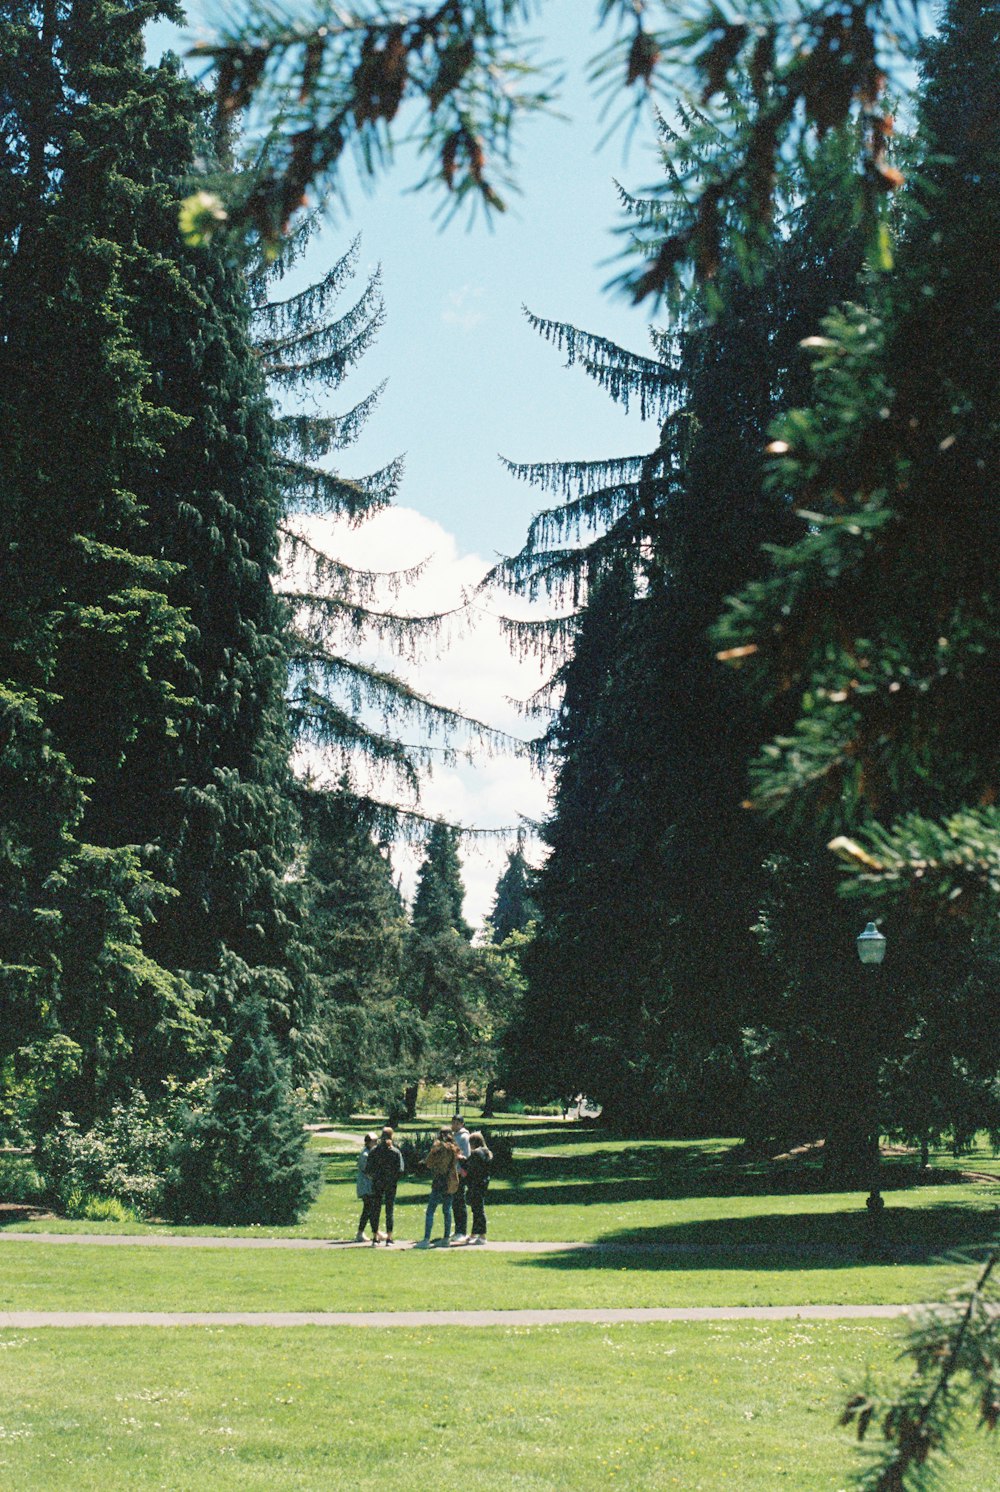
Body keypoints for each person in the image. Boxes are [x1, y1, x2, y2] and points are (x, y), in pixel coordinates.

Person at [416, 1127, 460, 1247]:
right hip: (450, 1181)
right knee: (447, 1210)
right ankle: (446, 1238)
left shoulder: (438, 1148)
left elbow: (428, 1163)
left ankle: (426, 1239)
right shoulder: (454, 1148)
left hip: (439, 1180)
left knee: (431, 1210)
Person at [366, 1126, 404, 1246]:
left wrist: (374, 1177)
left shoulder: (374, 1151)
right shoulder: (395, 1152)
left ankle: (375, 1236)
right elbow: (401, 1170)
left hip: (377, 1182)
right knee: (389, 1210)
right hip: (390, 1184)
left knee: (375, 1209)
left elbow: (368, 1170)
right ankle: (389, 1237)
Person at [464, 1131, 492, 1244]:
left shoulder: (476, 1153)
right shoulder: (487, 1153)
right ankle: (474, 1233)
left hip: (476, 1184)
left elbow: (469, 1167)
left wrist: (461, 1160)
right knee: (477, 1208)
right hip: (483, 1183)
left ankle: (482, 1235)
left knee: (478, 1210)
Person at [449, 1113, 471, 1242]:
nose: (454, 1125)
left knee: (459, 1201)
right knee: (455, 1202)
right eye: (453, 1123)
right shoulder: (453, 1136)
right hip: (453, 1173)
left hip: (459, 1173)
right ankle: (458, 1229)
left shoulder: (463, 1137)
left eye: (457, 1123)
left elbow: (465, 1156)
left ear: (462, 1124)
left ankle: (462, 1231)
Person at [355, 1133, 378, 1242]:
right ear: (368, 1142)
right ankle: (360, 1233)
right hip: (366, 1186)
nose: (376, 1143)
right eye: (374, 1141)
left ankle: (375, 1231)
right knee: (368, 1209)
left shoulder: (370, 1153)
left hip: (369, 1185)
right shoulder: (365, 1155)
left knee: (371, 1209)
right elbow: (367, 1171)